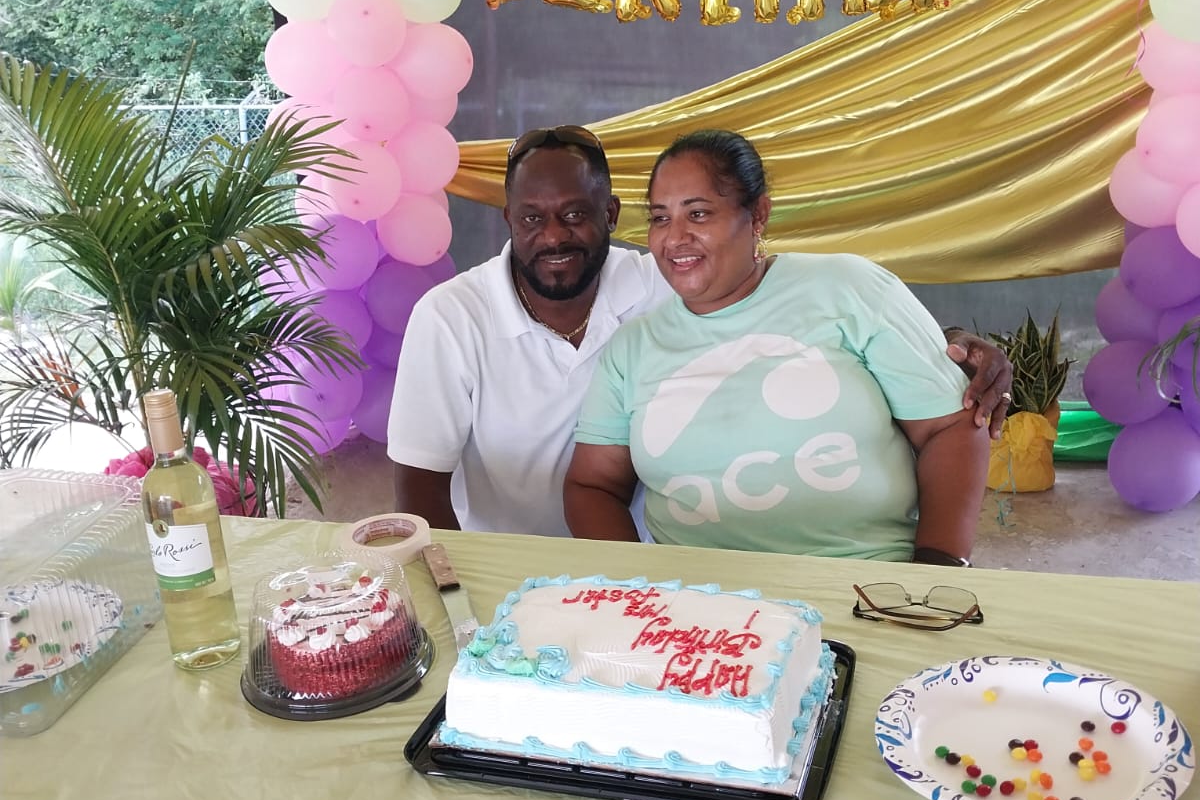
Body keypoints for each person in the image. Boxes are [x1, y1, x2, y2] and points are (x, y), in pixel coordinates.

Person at [388, 125, 1010, 540]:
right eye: (531, 219)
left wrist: (949, 346)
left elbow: (792, 304)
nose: (553, 236)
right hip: (517, 560)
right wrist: (463, 596)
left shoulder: (666, 283)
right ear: (508, 220)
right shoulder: (451, 317)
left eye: (575, 215)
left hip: (670, 560)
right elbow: (420, 490)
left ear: (610, 215)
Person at [564, 129, 990, 564]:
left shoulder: (848, 288)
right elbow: (592, 486)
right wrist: (638, 585)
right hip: (697, 598)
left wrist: (937, 572)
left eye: (698, 214)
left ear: (758, 215)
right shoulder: (633, 346)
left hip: (865, 582)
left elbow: (950, 427)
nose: (674, 238)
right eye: (660, 218)